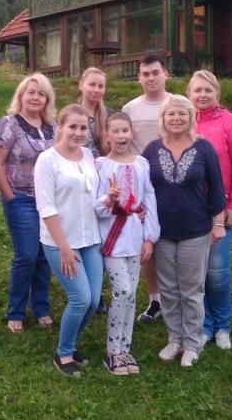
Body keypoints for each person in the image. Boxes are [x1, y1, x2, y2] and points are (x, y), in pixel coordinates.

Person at [143, 95, 226, 367]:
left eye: (182, 113)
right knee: (168, 290)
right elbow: (142, 188)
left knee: (191, 290)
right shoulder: (152, 149)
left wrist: (218, 223)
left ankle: (192, 343)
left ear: (190, 117)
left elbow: (217, 189)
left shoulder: (203, 148)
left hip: (195, 231)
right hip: (162, 232)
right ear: (163, 118)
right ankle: (174, 338)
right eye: (171, 114)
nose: (176, 118)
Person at [34, 104, 103, 378]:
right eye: (72, 126)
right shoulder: (47, 160)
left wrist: (109, 199)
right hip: (61, 242)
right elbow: (46, 208)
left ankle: (71, 344)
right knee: (80, 298)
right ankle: (63, 353)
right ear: (60, 127)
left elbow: (92, 195)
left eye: (83, 127)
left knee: (94, 301)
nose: (78, 132)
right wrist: (64, 247)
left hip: (90, 239)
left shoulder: (88, 155)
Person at [187, 70, 232, 350]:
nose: (202, 95)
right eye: (197, 90)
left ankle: (222, 324)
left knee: (216, 272)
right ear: (189, 93)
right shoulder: (183, 121)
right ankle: (204, 324)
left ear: (217, 93)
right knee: (196, 273)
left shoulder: (229, 122)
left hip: (219, 211)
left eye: (208, 90)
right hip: (189, 211)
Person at [95, 112, 160, 376]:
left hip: (135, 237)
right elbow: (96, 206)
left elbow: (149, 198)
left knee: (131, 294)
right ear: (107, 135)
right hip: (112, 238)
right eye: (116, 131)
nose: (121, 136)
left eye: (125, 131)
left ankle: (125, 347)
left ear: (131, 133)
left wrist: (149, 237)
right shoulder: (101, 165)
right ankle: (112, 351)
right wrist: (109, 200)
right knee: (121, 291)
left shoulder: (141, 163)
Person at [0, 73, 56, 333]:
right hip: (20, 197)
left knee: (44, 255)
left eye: (41, 93)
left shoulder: (52, 127)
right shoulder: (10, 124)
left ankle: (41, 307)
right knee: (27, 254)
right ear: (21, 95)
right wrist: (9, 196)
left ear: (47, 99)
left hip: (48, 200)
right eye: (31, 92)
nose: (35, 97)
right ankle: (16, 310)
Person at [122, 53, 170, 323]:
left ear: (165, 74)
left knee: (173, 243)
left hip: (175, 184)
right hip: (142, 186)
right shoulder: (130, 109)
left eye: (155, 73)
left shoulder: (178, 103)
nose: (151, 78)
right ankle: (155, 299)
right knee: (146, 245)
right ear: (139, 77)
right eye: (145, 74)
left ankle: (176, 297)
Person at [78, 66, 114, 314]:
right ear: (82, 85)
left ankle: (98, 288)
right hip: (78, 183)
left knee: (101, 237)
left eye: (100, 86)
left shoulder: (108, 116)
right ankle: (85, 289)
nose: (96, 90)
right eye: (92, 84)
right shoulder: (73, 114)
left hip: (103, 184)